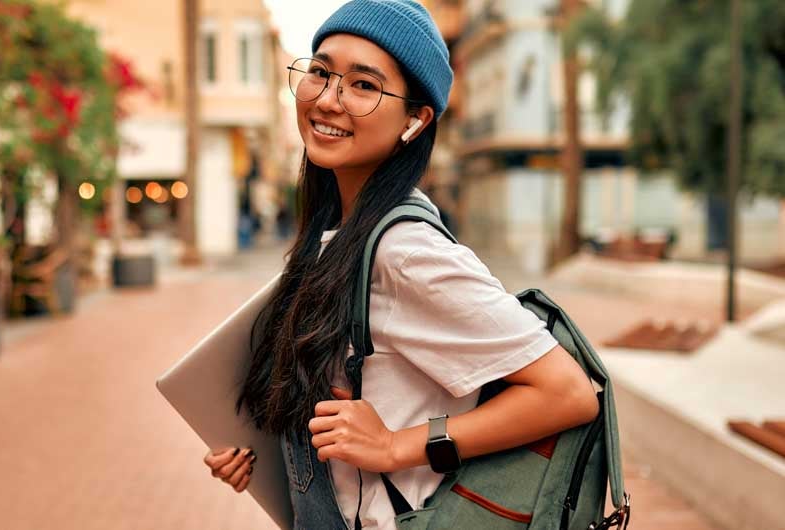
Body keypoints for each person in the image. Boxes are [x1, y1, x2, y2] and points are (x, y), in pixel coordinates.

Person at [202, 1, 599, 528]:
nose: (328, 99)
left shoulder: (405, 252)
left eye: (363, 85)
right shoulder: (339, 236)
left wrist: (395, 446)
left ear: (415, 119)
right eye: (320, 72)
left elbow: (567, 394)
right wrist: (258, 450)